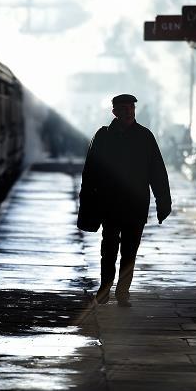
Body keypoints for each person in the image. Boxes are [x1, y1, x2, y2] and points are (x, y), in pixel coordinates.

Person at [79, 94, 171, 307]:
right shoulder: (103, 137)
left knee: (130, 251)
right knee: (108, 248)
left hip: (136, 205)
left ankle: (123, 291)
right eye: (123, 108)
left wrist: (163, 201)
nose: (128, 111)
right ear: (115, 112)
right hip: (110, 204)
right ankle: (105, 287)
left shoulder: (145, 136)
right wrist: (88, 203)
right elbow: (90, 172)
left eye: (131, 107)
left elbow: (157, 171)